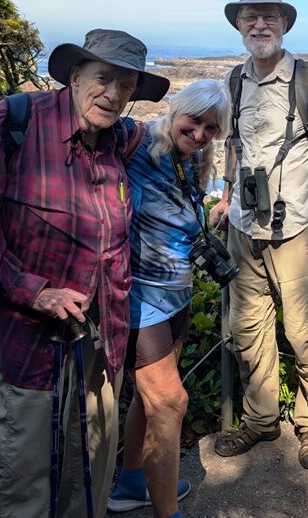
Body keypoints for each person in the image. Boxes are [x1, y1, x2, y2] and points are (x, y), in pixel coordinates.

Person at [0, 29, 169, 518]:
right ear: (74, 76)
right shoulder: (14, 125)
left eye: (126, 85)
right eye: (103, 78)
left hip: (101, 334)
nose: (113, 93)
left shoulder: (119, 139)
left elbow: (178, 129)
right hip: (34, 338)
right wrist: (36, 293)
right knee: (21, 479)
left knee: (90, 469)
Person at [209, 0, 308, 470]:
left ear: (284, 23)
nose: (259, 25)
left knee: (305, 331)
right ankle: (261, 420)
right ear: (239, 25)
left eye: (269, 16)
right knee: (248, 329)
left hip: (297, 226)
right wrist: (226, 197)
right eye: (250, 17)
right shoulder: (234, 80)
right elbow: (233, 145)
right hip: (244, 227)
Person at [107, 80, 230, 517]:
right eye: (193, 121)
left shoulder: (193, 161)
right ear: (177, 110)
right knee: (170, 403)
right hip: (141, 299)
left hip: (176, 293)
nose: (199, 134)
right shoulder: (136, 139)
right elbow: (71, 117)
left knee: (149, 400)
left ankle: (131, 482)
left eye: (211, 129)